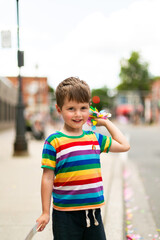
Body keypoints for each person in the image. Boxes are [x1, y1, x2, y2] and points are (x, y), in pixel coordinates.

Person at [36, 77, 130, 240]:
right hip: (64, 215)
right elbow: (47, 177)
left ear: (90, 109)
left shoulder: (94, 138)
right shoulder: (54, 141)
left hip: (93, 214)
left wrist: (105, 123)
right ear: (59, 109)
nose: (78, 114)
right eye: (71, 108)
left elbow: (124, 145)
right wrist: (45, 211)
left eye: (83, 108)